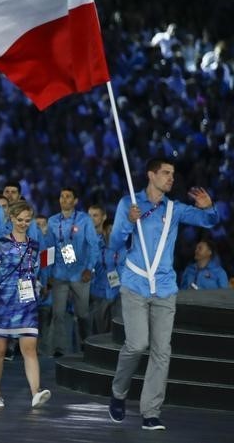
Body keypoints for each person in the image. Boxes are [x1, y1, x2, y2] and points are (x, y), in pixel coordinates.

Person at [108, 157, 219, 430]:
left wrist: (210, 209)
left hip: (165, 289)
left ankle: (151, 413)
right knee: (137, 345)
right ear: (151, 175)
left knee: (162, 352)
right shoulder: (129, 204)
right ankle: (118, 393)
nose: (171, 178)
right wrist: (127, 223)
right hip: (135, 284)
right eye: (166, 173)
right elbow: (115, 242)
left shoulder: (175, 209)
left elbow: (208, 221)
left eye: (173, 174)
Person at [0, 200, 51, 410]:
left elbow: (37, 271)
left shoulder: (34, 245)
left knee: (29, 348)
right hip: (3, 302)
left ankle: (35, 392)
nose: (23, 223)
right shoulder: (1, 244)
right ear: (11, 218)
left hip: (27, 303)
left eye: (27, 220)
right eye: (19, 220)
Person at [46, 187, 99, 356]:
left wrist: (89, 269)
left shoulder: (84, 220)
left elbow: (93, 245)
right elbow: (49, 249)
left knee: (82, 314)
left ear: (75, 201)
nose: (64, 199)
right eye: (62, 196)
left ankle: (85, 342)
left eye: (68, 196)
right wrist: (47, 275)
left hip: (80, 273)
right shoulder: (53, 221)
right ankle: (60, 348)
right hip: (59, 273)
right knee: (58, 314)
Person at [90, 220, 123, 334]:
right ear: (104, 231)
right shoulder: (95, 246)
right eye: (110, 230)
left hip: (118, 293)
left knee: (117, 328)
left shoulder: (125, 249)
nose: (114, 233)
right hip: (99, 292)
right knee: (101, 330)